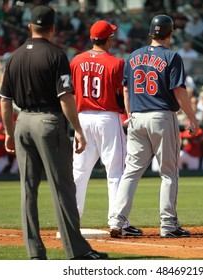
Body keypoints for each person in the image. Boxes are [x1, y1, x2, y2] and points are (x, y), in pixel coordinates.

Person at [0, 5, 107, 260]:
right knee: (63, 187)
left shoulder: (13, 56)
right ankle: (76, 251)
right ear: (53, 28)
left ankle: (35, 252)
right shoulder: (56, 55)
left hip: (22, 121)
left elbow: (4, 100)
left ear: (29, 27)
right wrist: (78, 129)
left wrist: (8, 131)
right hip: (48, 122)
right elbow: (65, 97)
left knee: (28, 188)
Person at [108, 14, 200, 238]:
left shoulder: (133, 56)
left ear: (151, 33)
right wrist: (192, 118)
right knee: (168, 174)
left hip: (137, 117)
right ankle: (168, 225)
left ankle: (116, 220)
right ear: (170, 34)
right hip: (161, 116)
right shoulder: (172, 56)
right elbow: (179, 91)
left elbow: (127, 90)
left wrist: (130, 115)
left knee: (131, 172)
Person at [69, 20, 142, 236]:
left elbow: (72, 92)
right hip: (108, 118)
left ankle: (70, 221)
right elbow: (123, 93)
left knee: (79, 172)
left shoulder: (76, 60)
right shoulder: (116, 63)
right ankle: (117, 222)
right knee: (116, 172)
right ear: (108, 39)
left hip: (82, 117)